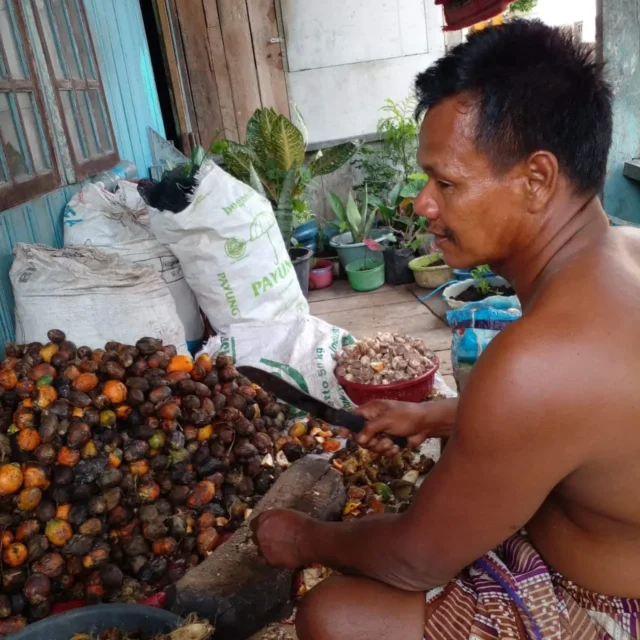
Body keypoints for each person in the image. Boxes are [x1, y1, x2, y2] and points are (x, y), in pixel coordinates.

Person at [252, 19, 640, 639]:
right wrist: (433, 415)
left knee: (334, 616)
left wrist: (304, 538)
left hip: (612, 605)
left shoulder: (541, 360)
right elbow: (598, 418)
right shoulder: (626, 250)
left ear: (536, 180)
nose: (423, 203)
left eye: (447, 182)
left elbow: (414, 560)